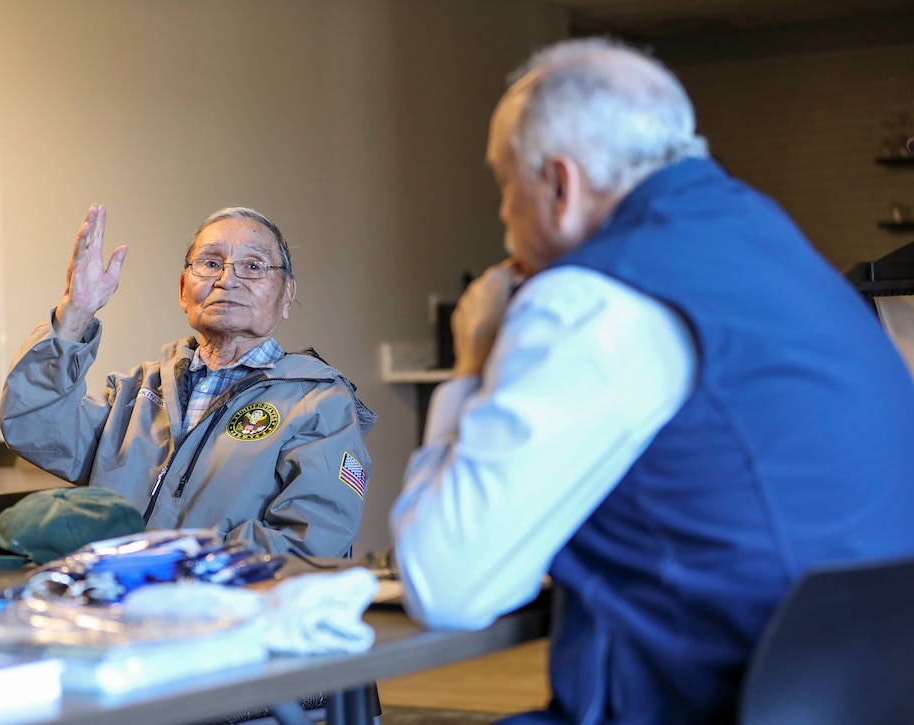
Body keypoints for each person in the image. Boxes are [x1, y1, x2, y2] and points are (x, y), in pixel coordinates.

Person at [389, 37, 914, 724]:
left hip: (704, 699)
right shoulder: (772, 242)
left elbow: (447, 584)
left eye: (502, 184)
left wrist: (468, 366)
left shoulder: (592, 296)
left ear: (559, 183)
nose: (501, 216)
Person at [0, 204, 376, 557]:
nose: (227, 279)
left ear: (286, 295)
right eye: (211, 263)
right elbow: (32, 425)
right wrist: (75, 312)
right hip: (116, 609)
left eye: (253, 266)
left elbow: (310, 542)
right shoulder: (137, 393)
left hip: (227, 616)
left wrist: (168, 568)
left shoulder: (318, 402)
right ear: (183, 290)